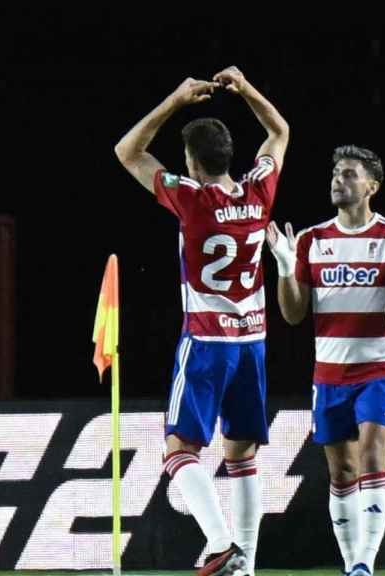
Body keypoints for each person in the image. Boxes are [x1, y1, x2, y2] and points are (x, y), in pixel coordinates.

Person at [114, 67, 290, 576]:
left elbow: (127, 151)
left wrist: (174, 99)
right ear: (231, 155)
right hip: (252, 339)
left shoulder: (190, 200)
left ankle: (218, 542)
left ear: (191, 162)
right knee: (241, 456)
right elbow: (279, 132)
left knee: (178, 449)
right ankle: (247, 566)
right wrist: (248, 87)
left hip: (207, 340)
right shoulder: (258, 194)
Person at [266, 145, 385, 576]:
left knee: (373, 456)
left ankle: (362, 563)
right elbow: (294, 313)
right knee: (341, 472)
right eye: (336, 173)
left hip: (380, 368)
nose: (339, 180)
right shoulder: (312, 241)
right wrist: (283, 266)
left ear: (372, 186)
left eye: (350, 174)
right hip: (329, 372)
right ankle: (352, 558)